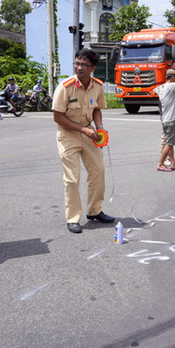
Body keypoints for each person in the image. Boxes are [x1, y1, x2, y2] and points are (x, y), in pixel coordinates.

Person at [52, 49, 114, 234]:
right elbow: (58, 117)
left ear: (93, 68)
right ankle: (73, 218)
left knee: (98, 172)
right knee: (72, 177)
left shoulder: (98, 86)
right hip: (68, 134)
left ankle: (95, 211)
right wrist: (83, 129)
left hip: (89, 133)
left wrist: (100, 127)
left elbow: (96, 109)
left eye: (84, 65)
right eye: (77, 63)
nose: (79, 67)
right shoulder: (65, 86)